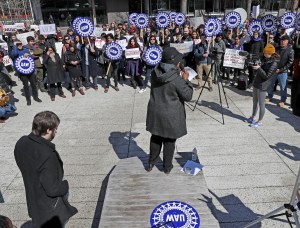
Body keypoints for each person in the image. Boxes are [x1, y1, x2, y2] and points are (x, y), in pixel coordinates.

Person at [14, 111, 78, 227]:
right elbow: (52, 189)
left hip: (33, 203)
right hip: (49, 210)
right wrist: (65, 185)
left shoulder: (21, 142)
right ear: (48, 130)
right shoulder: (47, 154)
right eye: (55, 129)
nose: (56, 131)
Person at [146, 47, 193, 174]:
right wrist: (186, 80)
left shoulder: (155, 72)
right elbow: (188, 96)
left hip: (156, 110)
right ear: (174, 62)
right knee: (169, 139)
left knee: (155, 137)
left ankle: (151, 163)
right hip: (170, 113)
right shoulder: (176, 79)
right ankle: (167, 167)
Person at [245, 44, 279, 128]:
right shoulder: (266, 59)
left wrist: (259, 68)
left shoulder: (274, 63)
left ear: (270, 53)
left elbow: (266, 76)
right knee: (254, 102)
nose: (264, 54)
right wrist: (255, 67)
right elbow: (260, 71)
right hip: (257, 83)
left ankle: (259, 121)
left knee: (261, 104)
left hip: (263, 85)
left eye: (265, 53)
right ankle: (253, 117)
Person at [266, 35, 294, 107]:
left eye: (284, 41)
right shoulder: (277, 48)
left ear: (287, 41)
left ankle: (282, 100)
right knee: (270, 85)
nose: (282, 42)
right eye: (281, 40)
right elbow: (272, 58)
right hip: (274, 70)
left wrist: (281, 70)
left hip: (283, 72)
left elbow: (290, 63)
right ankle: (269, 96)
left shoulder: (290, 50)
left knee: (283, 86)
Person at [11, 41, 42, 106]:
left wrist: (29, 51)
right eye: (18, 44)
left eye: (20, 44)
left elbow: (32, 54)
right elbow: (14, 55)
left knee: (33, 84)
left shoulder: (26, 49)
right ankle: (28, 100)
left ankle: (35, 97)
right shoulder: (14, 50)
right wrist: (15, 47)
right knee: (26, 86)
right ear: (16, 45)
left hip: (30, 70)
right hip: (22, 72)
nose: (20, 45)